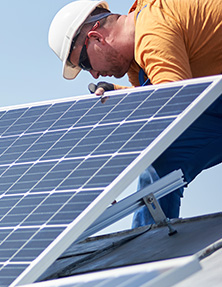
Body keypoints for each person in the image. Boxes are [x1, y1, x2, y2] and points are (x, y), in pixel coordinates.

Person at [48, 0, 222, 227]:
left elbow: (175, 108)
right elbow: (158, 99)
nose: (93, 74)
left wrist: (109, 171)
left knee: (160, 150)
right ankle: (153, 246)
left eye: (85, 63)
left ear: (96, 37)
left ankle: (152, 246)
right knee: (162, 162)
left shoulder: (151, 32)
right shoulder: (136, 59)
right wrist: (121, 97)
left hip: (202, 102)